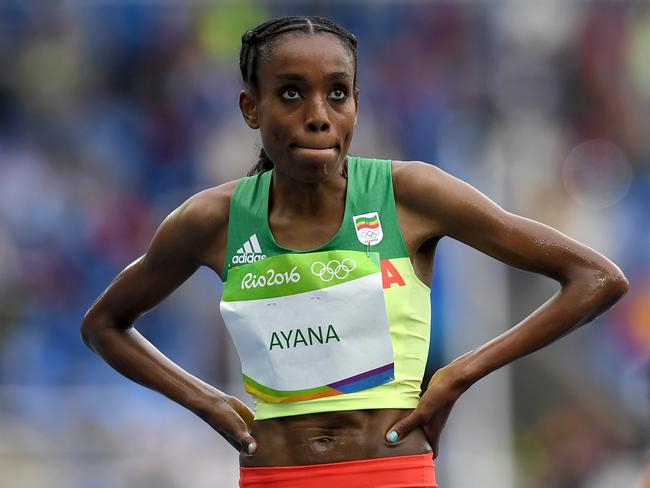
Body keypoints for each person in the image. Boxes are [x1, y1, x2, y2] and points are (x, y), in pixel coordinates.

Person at [80, 15, 629, 488]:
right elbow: (104, 324)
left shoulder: (411, 195)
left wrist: (459, 375)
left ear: (356, 104)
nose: (318, 114)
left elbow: (595, 277)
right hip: (274, 475)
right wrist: (208, 403)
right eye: (291, 92)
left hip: (390, 473)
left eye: (337, 92)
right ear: (251, 107)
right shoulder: (212, 221)